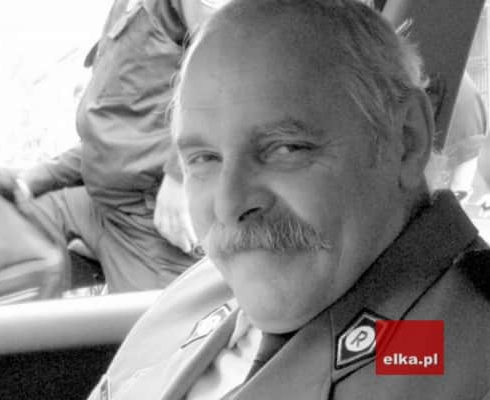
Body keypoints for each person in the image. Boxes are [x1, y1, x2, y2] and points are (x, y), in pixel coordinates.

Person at [86, 1, 490, 399]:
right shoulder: (203, 287)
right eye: (204, 159)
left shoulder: (465, 353)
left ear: (406, 140)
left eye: (286, 148)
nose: (228, 206)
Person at [0, 0, 230, 293]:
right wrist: (42, 176)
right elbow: (121, 127)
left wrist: (180, 174)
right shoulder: (126, 7)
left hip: (147, 220)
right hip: (100, 204)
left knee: (146, 321)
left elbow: (229, 69)